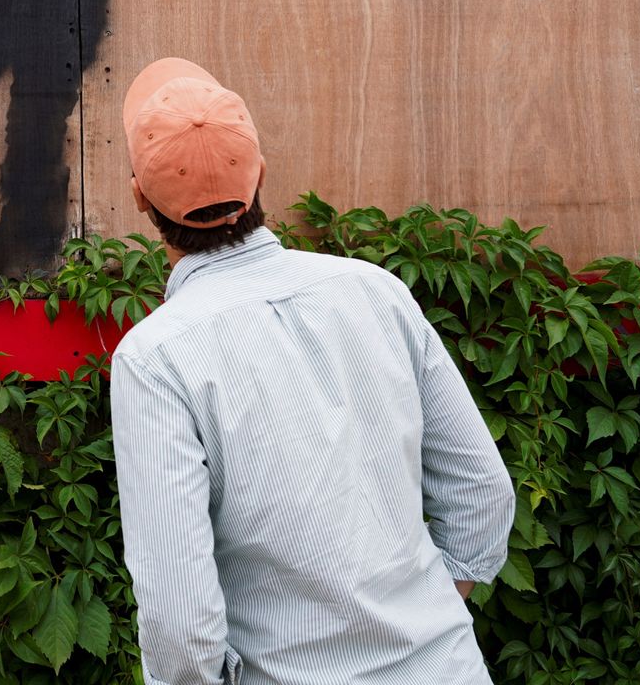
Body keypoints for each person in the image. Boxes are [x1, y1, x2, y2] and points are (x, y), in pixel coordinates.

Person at [110, 58, 516, 685]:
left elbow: (179, 618)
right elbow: (481, 491)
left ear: (139, 197)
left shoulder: (154, 358)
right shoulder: (374, 291)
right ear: (261, 174)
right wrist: (424, 623)